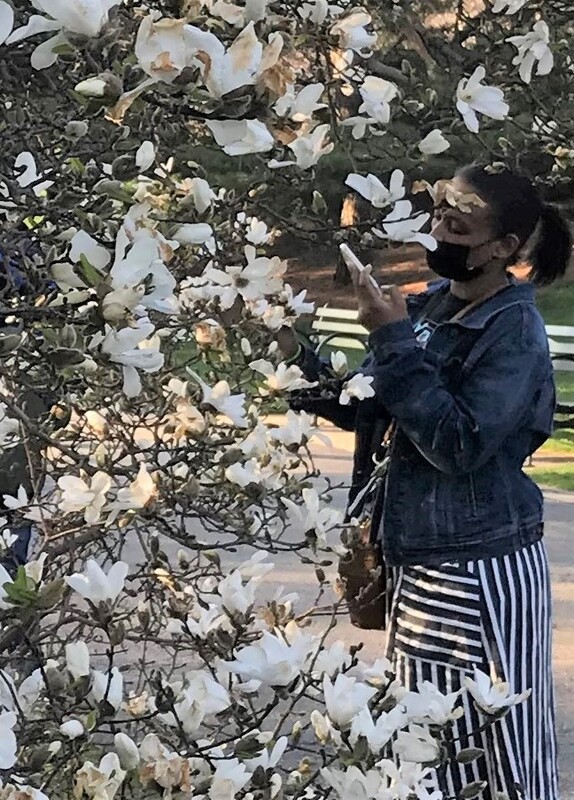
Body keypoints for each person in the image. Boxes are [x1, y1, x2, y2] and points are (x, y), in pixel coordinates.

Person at [281, 163, 573, 799]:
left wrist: (390, 338)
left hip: (481, 569)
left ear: (505, 249)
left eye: (458, 226)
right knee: (424, 748)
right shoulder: (431, 307)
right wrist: (282, 343)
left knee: (503, 747)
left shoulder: (513, 330)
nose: (439, 232)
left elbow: (459, 444)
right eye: (438, 217)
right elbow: (366, 404)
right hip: (418, 562)